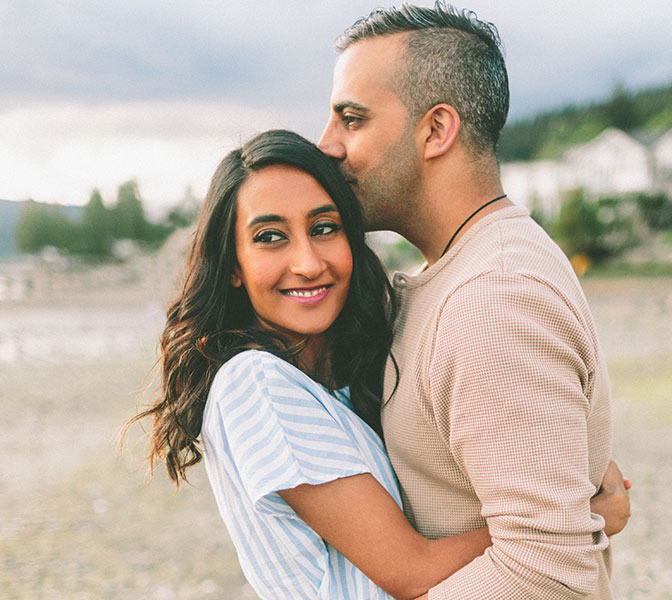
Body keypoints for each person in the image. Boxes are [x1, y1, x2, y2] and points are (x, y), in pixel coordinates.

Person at [317, 3, 629, 598]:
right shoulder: (465, 271)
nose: (327, 145)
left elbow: (545, 573)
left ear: (436, 130)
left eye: (351, 119)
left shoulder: (492, 299)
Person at [129, 129, 494, 600]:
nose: (307, 262)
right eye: (270, 237)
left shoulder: (336, 378)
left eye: (324, 228)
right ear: (233, 266)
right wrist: (562, 522)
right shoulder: (255, 383)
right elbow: (414, 572)